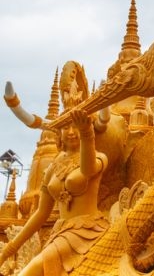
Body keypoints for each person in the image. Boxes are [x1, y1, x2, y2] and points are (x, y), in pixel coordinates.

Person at [0, 109, 108, 276]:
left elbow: (87, 170)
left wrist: (87, 134)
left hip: (86, 229)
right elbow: (41, 213)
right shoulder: (52, 167)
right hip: (59, 232)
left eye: (75, 127)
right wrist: (9, 250)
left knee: (32, 269)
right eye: (66, 127)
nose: (71, 132)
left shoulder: (99, 157)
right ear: (59, 132)